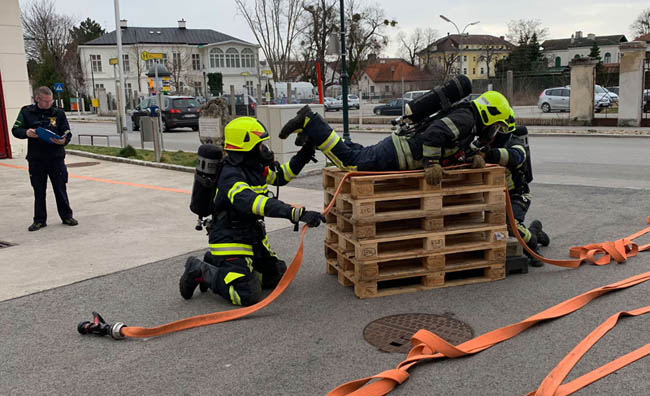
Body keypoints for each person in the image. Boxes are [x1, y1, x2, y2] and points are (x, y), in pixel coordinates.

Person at [179, 117, 325, 306]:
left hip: (251, 236)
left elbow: (281, 176)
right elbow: (253, 202)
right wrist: (296, 213)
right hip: (229, 238)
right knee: (246, 294)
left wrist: (305, 152)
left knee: (277, 274)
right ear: (245, 147)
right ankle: (198, 270)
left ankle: (219, 264)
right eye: (260, 144)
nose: (264, 149)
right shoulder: (230, 175)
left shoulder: (254, 168)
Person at [278, 91, 516, 185]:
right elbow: (435, 135)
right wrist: (431, 164)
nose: (493, 132)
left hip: (398, 149)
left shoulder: (468, 119)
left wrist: (472, 155)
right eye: (495, 126)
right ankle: (311, 122)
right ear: (489, 114)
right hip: (399, 152)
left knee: (358, 155)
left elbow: (450, 143)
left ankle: (312, 135)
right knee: (353, 163)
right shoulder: (466, 119)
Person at [482, 126, 549, 267]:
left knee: (512, 225)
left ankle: (532, 247)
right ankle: (535, 231)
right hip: (497, 196)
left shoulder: (512, 142)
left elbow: (517, 156)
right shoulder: (484, 141)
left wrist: (488, 154)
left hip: (518, 194)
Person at [12, 86, 77, 231]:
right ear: (37, 99)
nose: (49, 104)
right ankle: (39, 220)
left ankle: (66, 216)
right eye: (45, 101)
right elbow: (16, 130)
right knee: (39, 190)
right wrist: (27, 132)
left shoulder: (58, 113)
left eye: (51, 101)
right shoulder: (26, 112)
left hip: (56, 158)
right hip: (37, 159)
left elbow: (66, 131)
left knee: (60, 188)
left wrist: (64, 140)